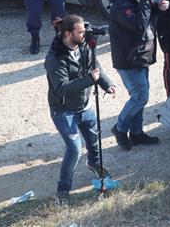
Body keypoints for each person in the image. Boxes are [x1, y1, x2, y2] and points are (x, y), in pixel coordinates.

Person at [45, 15, 116, 204]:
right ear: (68, 34)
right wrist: (90, 80)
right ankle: (63, 191)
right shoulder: (55, 58)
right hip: (63, 110)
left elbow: (96, 67)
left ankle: (94, 163)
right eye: (81, 32)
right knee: (74, 149)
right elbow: (62, 88)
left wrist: (107, 84)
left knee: (94, 139)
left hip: (85, 105)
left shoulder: (84, 46)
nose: (85, 34)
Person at [109, 0, 169, 151]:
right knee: (140, 97)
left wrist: (157, 7)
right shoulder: (120, 4)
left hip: (141, 54)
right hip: (128, 58)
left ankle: (136, 133)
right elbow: (139, 24)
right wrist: (145, 1)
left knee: (140, 96)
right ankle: (120, 128)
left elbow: (148, 17)